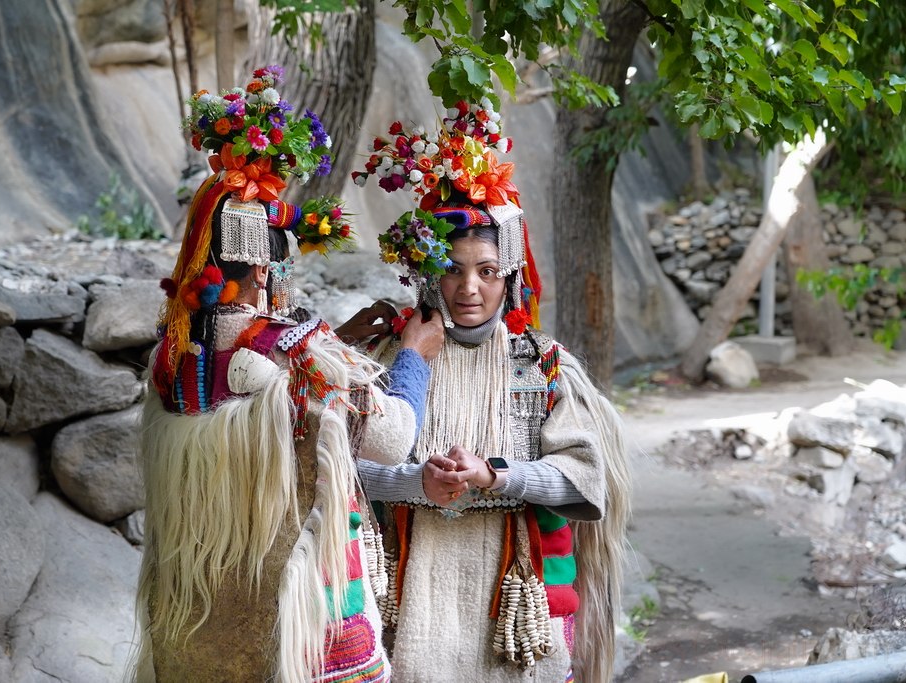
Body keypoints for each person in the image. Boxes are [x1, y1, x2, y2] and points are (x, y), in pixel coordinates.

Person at [131, 66, 445, 683]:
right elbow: (394, 438)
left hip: (200, 632)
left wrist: (343, 340)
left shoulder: (172, 361)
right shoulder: (299, 354)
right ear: (268, 263)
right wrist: (414, 356)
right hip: (290, 632)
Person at [351, 100, 632, 683]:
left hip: (513, 599)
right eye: (453, 270)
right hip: (412, 595)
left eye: (487, 270)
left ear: (511, 273)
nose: (469, 288)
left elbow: (583, 478)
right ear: (430, 272)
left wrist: (493, 475)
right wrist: (416, 482)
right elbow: (343, 468)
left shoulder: (543, 364)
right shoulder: (391, 358)